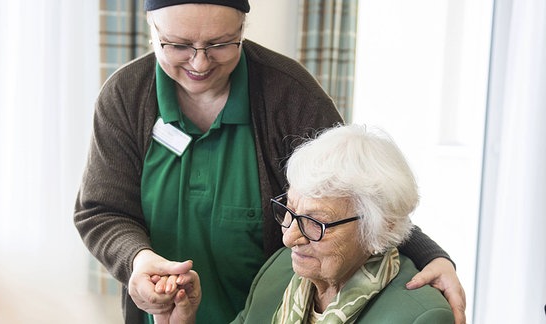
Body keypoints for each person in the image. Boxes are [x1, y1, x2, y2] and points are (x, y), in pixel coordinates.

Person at [73, 1, 466, 323]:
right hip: (167, 315)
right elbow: (101, 210)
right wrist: (138, 262)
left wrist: (431, 254)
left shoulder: (288, 94)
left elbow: (354, 194)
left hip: (265, 312)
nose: (199, 62)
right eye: (177, 45)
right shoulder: (126, 96)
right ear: (152, 32)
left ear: (243, 29)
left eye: (220, 43)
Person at [153, 124, 455, 324]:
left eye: (314, 223)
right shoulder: (282, 270)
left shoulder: (421, 317)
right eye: (290, 211)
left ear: (379, 228)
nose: (289, 238)